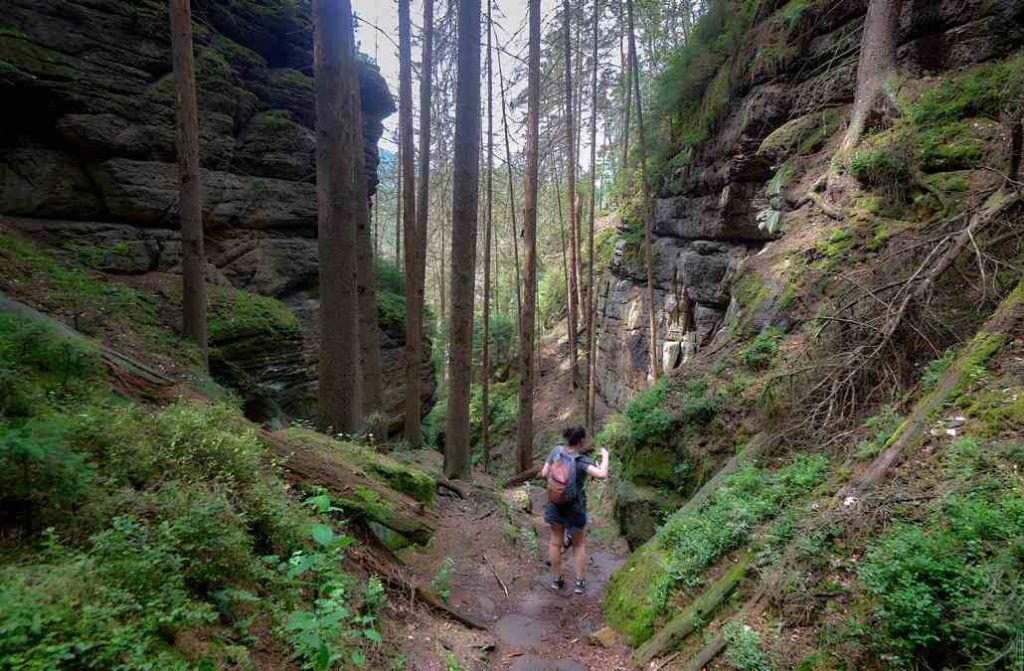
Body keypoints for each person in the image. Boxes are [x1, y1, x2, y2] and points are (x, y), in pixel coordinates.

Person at [540, 425, 610, 594]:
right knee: (578, 545)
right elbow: (601, 474)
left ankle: (557, 580)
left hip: (555, 505)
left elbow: (543, 473)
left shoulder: (556, 451)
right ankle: (579, 583)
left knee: (555, 542)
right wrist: (605, 456)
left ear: (566, 437)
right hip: (575, 508)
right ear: (581, 441)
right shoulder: (581, 461)